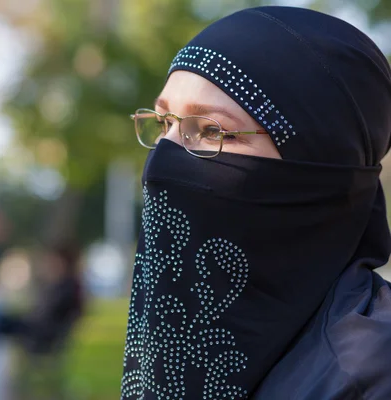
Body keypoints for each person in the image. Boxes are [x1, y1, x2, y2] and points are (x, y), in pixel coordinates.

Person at [121, 6, 391, 400]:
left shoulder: (369, 374)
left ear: (319, 168)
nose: (164, 157)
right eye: (164, 124)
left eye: (212, 130)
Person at [0, 243, 85, 395]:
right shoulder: (64, 285)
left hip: (39, 335)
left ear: (64, 261)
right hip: (36, 329)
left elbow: (45, 317)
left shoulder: (67, 286)